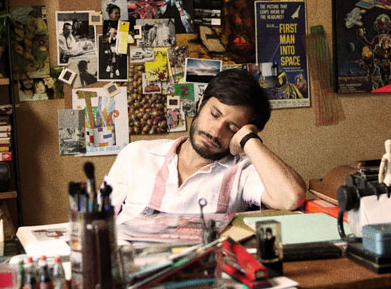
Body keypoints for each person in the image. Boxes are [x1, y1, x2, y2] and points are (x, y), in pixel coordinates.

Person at [105, 68, 306, 223]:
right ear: (201, 103)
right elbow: (97, 222)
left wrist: (248, 139)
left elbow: (291, 197)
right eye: (215, 114)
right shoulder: (136, 154)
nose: (215, 131)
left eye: (232, 127)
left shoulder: (241, 173)